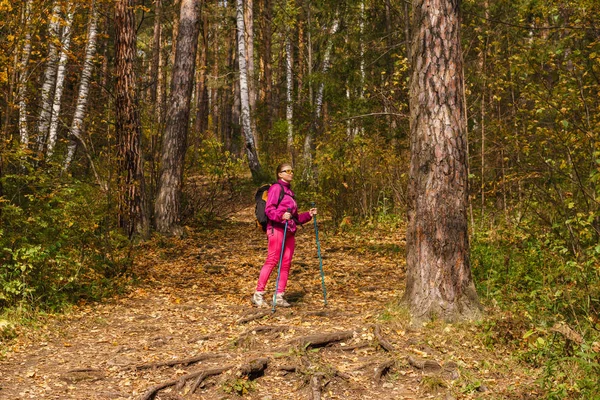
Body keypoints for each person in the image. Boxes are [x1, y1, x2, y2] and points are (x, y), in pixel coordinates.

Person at [252, 163, 317, 308]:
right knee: (272, 260)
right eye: (287, 171)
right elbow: (269, 210)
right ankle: (258, 294)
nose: (291, 173)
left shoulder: (290, 192)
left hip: (289, 230)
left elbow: (295, 218)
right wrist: (281, 215)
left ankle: (279, 296)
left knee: (286, 263)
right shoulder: (276, 188)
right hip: (277, 228)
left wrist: (309, 215)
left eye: (292, 170)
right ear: (280, 174)